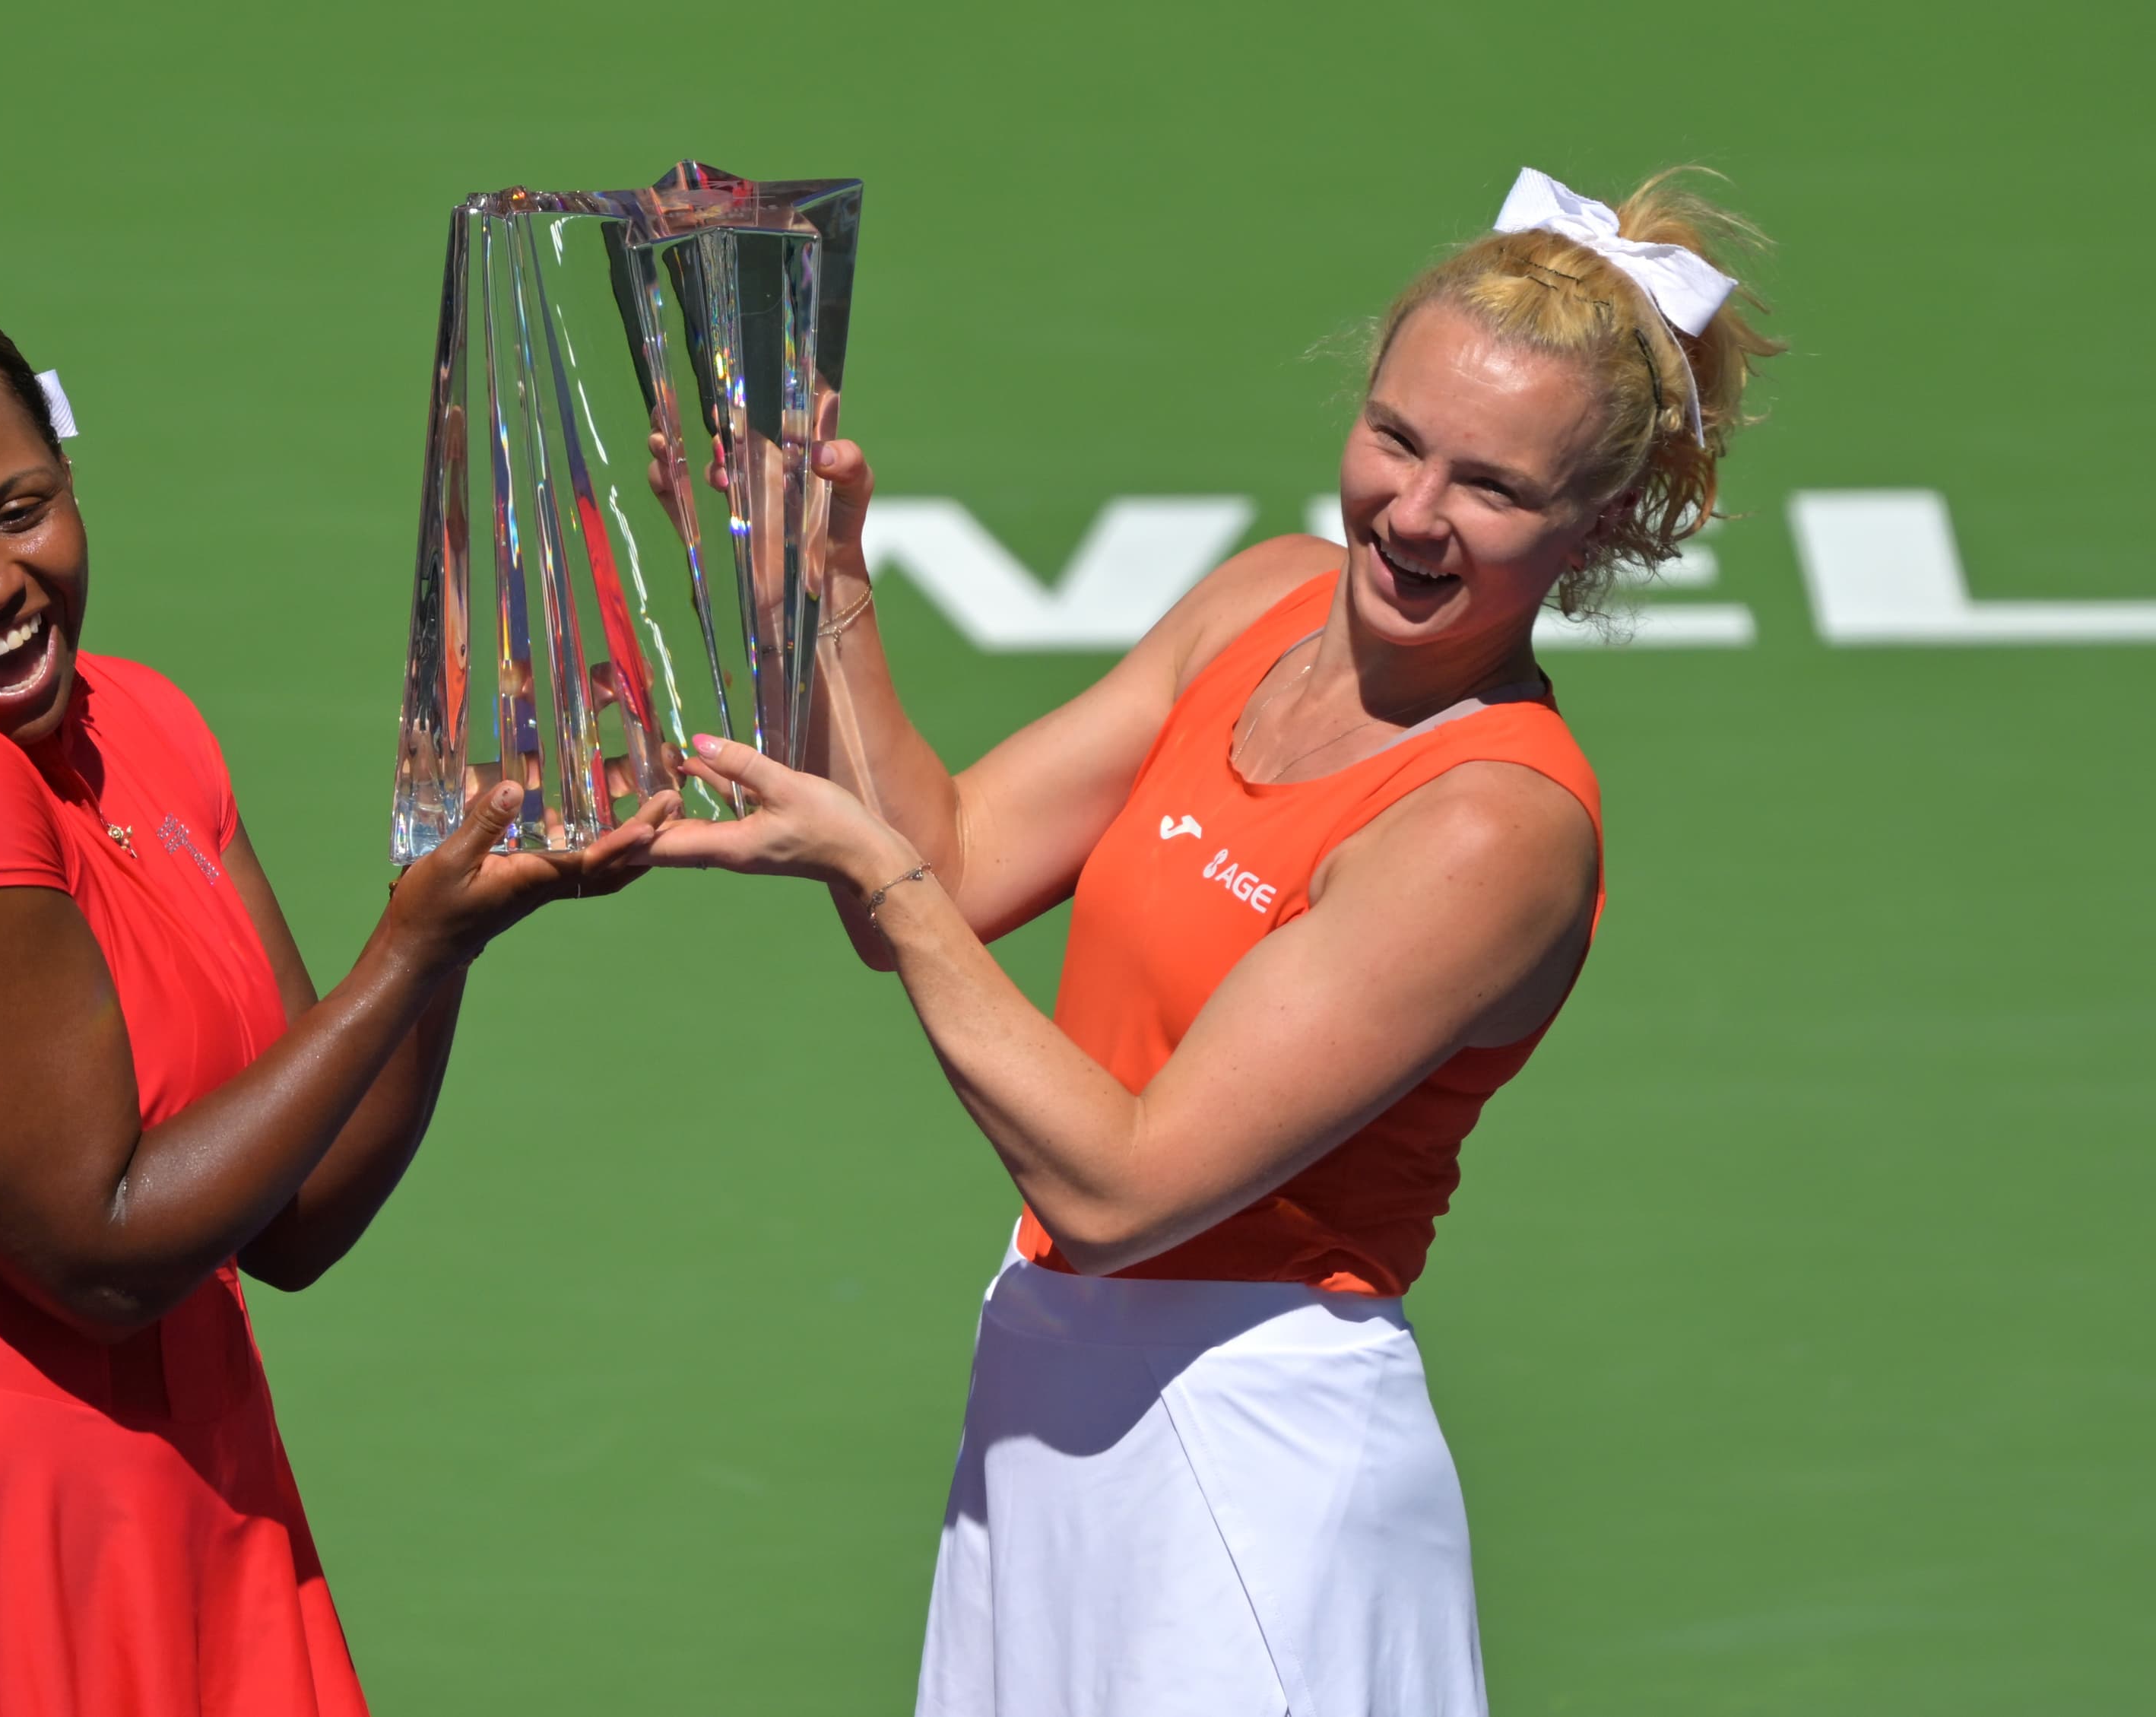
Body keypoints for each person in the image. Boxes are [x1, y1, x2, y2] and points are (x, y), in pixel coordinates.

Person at [646, 170, 1782, 1714]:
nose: (1414, 512)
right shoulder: (1261, 599)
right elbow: (958, 862)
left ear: (1595, 531)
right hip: (1046, 1399)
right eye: (1396, 437)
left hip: (1253, 1472)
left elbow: (1120, 1183)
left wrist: (888, 884)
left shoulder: (1492, 827)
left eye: (1494, 489)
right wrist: (824, 578)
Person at [0, 296, 671, 1715]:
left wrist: (457, 920)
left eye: (17, 508)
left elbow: (299, 1213)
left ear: (69, 482)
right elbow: (100, 1253)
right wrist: (403, 958)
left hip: (177, 1514)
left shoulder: (147, 722)